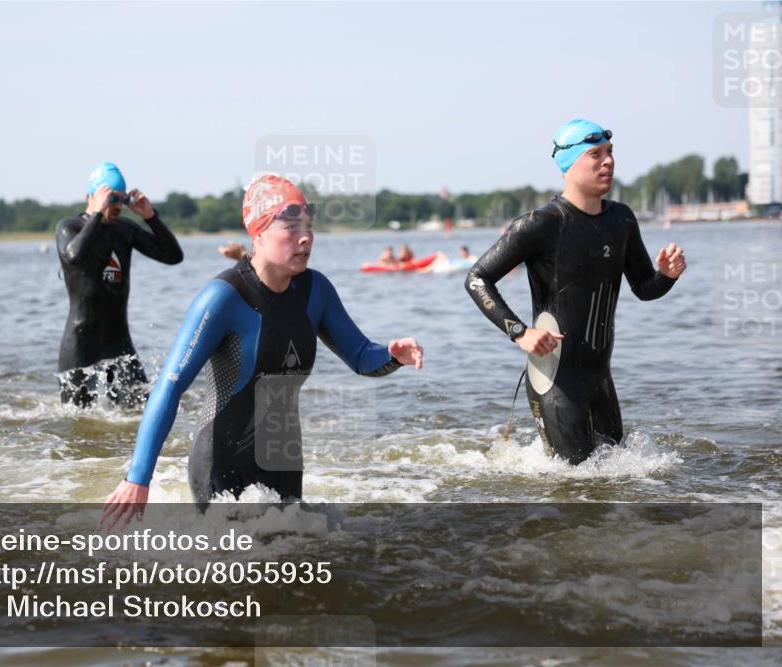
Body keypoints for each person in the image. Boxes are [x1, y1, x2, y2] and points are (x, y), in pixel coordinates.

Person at [102, 174, 423, 524]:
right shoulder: (224, 297)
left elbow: (362, 356)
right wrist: (138, 478)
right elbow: (170, 384)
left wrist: (392, 355)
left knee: (300, 568)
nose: (305, 237)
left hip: (284, 463)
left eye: (309, 226)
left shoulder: (316, 291)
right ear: (258, 232)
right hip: (221, 467)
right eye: (290, 226)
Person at [464, 119, 686, 464]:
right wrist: (519, 332)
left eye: (610, 152)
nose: (608, 161)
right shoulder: (541, 224)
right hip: (555, 381)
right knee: (575, 482)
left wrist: (666, 276)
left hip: (601, 381)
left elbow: (643, 288)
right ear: (568, 165)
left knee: (612, 484)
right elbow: (477, 279)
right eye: (595, 154)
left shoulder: (622, 220)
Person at [56, 162, 184, 408]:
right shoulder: (69, 228)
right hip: (81, 344)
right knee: (78, 421)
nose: (117, 205)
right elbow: (75, 257)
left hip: (118, 343)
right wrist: (96, 214)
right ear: (91, 197)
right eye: (112, 197)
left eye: (122, 199)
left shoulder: (124, 229)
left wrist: (150, 217)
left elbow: (173, 256)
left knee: (142, 411)